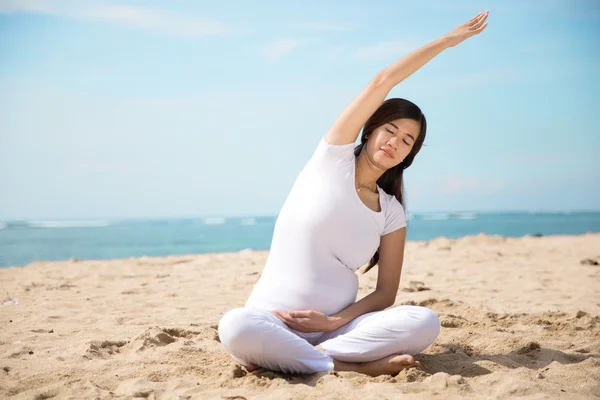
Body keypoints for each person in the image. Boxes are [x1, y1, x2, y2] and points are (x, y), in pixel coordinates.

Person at [218, 11, 489, 377]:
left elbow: (385, 294)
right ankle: (350, 367)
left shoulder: (391, 212)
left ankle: (314, 359)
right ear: (371, 129)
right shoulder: (332, 158)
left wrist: (332, 321)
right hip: (271, 322)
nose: (395, 142)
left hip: (339, 331)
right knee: (235, 327)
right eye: (390, 130)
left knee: (424, 321)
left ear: (411, 154)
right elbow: (383, 80)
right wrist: (446, 41)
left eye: (407, 140)